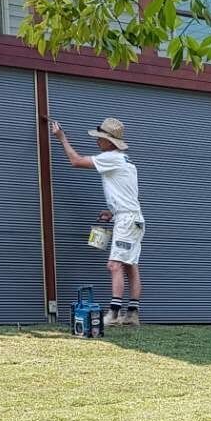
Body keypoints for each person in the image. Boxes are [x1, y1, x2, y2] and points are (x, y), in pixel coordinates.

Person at [50, 115, 142, 326]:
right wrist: (112, 212)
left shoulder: (111, 157)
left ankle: (114, 314)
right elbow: (127, 194)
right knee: (131, 266)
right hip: (132, 217)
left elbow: (76, 161)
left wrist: (61, 138)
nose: (97, 141)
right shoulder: (127, 162)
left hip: (127, 220)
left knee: (114, 265)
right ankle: (133, 314)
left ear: (110, 142)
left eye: (100, 138)